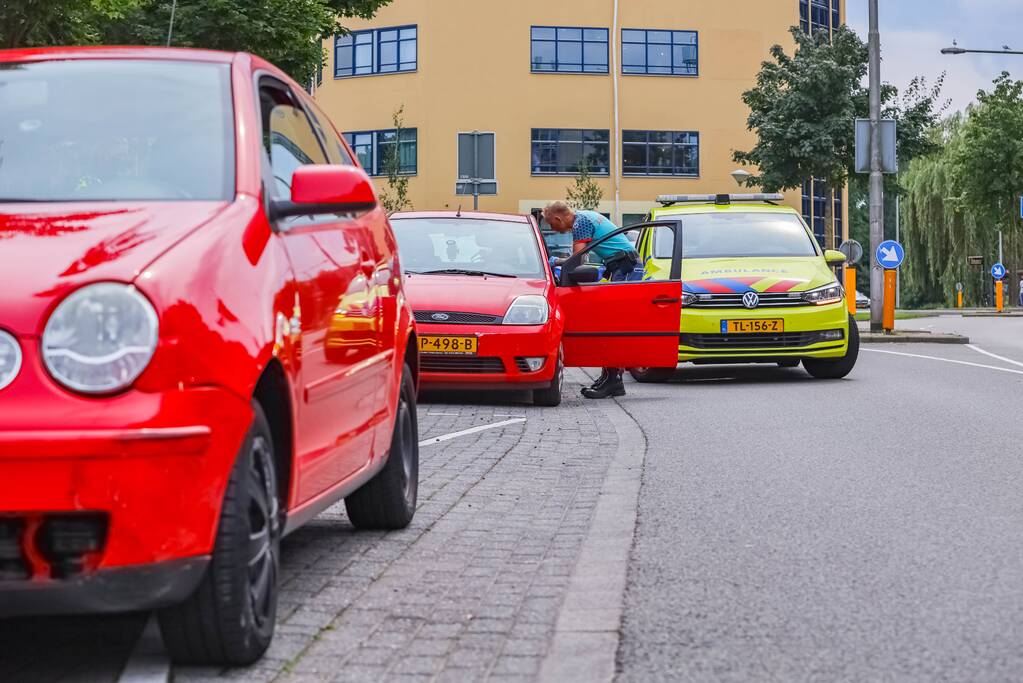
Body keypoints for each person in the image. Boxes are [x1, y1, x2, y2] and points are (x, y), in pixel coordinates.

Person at [543, 200, 640, 399]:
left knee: (613, 327)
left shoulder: (580, 223)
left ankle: (614, 380)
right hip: (620, 266)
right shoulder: (585, 216)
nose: (553, 229)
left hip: (626, 267)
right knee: (608, 325)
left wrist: (552, 262)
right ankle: (610, 377)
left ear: (558, 218)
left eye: (552, 224)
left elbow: (577, 259)